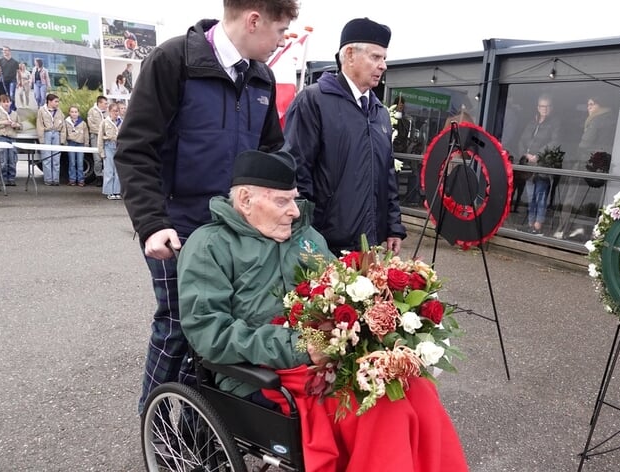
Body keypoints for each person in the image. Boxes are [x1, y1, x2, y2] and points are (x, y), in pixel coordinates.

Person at [178, 149, 468, 472]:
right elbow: (209, 333)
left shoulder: (306, 240)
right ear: (246, 200)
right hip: (262, 374)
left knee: (416, 388)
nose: (294, 212)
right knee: (380, 409)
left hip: (330, 356)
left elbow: (343, 289)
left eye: (294, 199)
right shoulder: (209, 246)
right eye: (282, 202)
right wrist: (302, 344)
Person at [114, 0, 299, 415]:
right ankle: (156, 425)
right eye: (280, 30)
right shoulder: (172, 61)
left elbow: (271, 152)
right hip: (178, 227)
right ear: (254, 20)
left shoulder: (262, 79)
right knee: (180, 326)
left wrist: (287, 202)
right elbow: (134, 149)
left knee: (229, 327)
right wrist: (152, 224)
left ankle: (204, 432)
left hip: (237, 230)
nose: (282, 40)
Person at [283, 17, 406, 256]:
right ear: (349, 54)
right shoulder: (313, 101)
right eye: (376, 57)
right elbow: (296, 171)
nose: (383, 66)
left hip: (368, 245)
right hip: (322, 244)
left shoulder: (379, 112)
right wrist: (304, 233)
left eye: (384, 58)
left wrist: (393, 227)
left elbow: (387, 174)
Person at [553, 95, 616, 240]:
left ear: (601, 106)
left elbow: (585, 145)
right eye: (588, 104)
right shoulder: (612, 121)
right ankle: (582, 228)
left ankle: (563, 229)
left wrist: (574, 155)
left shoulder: (596, 121)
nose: (589, 107)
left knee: (572, 197)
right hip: (599, 168)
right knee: (590, 199)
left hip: (584, 165)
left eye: (592, 104)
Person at [518, 94, 561, 235]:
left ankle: (537, 226)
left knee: (540, 196)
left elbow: (555, 142)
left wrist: (539, 155)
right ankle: (530, 224)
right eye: (542, 106)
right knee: (531, 197)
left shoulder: (555, 122)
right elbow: (522, 140)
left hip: (543, 165)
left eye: (548, 106)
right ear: (538, 107)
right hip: (529, 166)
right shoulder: (532, 122)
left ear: (552, 108)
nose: (545, 109)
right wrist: (525, 154)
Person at [0, 94, 22, 186]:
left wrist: (16, 125)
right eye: (4, 102)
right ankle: (3, 179)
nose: (6, 104)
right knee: (3, 160)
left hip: (12, 137)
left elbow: (20, 126)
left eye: (8, 101)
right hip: (1, 137)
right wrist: (3, 123)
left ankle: (11, 178)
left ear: (10, 102)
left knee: (12, 159)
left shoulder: (14, 113)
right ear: (0, 103)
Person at [35, 93, 66, 186]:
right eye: (55, 101)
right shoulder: (42, 110)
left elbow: (63, 125)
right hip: (47, 133)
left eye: (58, 102)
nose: (57, 103)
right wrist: (42, 139)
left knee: (56, 158)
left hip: (56, 133)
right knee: (47, 157)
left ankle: (56, 179)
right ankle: (48, 179)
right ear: (49, 101)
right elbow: (39, 124)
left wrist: (62, 140)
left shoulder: (59, 111)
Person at [99, 102, 122, 199]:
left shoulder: (122, 122)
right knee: (109, 170)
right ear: (109, 112)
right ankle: (109, 191)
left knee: (118, 170)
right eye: (113, 111)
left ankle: (117, 191)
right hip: (108, 145)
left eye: (117, 111)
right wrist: (101, 151)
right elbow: (100, 137)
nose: (116, 113)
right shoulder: (105, 122)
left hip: (118, 146)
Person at [65, 105, 90, 186]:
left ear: (78, 113)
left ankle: (81, 180)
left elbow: (86, 134)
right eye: (72, 112)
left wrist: (86, 143)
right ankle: (72, 179)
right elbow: (64, 133)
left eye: (76, 112)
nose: (74, 113)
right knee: (72, 162)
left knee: (80, 163)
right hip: (71, 143)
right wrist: (64, 142)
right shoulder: (66, 122)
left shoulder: (82, 123)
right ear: (69, 113)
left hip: (80, 144)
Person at [87, 95, 108, 186]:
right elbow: (91, 126)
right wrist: (102, 132)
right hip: (95, 136)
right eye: (105, 103)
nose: (107, 105)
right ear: (99, 103)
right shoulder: (92, 111)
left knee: (106, 157)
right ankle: (98, 177)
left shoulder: (107, 113)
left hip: (106, 138)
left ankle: (107, 177)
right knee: (97, 158)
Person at [0, 46, 20, 112]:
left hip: (13, 80)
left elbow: (18, 72)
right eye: (3, 50)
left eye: (6, 50)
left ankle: (10, 108)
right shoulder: (0, 60)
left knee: (11, 94)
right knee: (8, 94)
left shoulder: (15, 62)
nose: (4, 52)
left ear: (9, 51)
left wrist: (19, 81)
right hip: (5, 79)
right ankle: (13, 106)